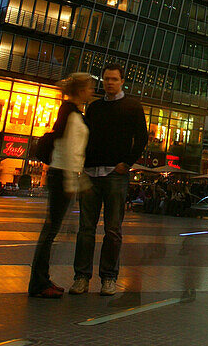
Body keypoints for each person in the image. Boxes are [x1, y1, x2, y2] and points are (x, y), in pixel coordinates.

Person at [69, 64, 148, 296]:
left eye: (114, 79)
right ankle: (81, 277)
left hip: (115, 173)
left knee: (113, 229)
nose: (109, 82)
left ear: (123, 81)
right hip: (91, 172)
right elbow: (86, 137)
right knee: (86, 229)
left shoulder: (133, 107)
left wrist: (127, 163)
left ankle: (109, 278)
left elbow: (142, 138)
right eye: (106, 79)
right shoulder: (94, 108)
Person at [28, 73, 95, 298]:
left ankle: (42, 278)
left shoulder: (68, 111)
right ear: (80, 90)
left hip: (60, 174)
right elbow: (69, 152)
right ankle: (38, 283)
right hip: (62, 175)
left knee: (51, 229)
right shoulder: (73, 115)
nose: (91, 91)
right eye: (89, 88)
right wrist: (72, 182)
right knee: (50, 231)